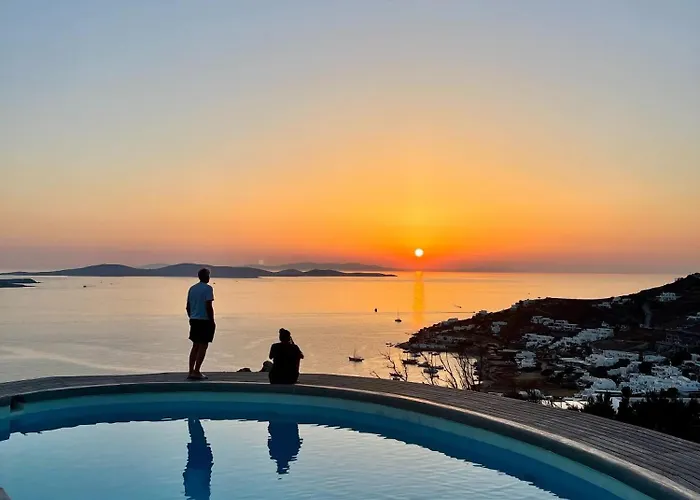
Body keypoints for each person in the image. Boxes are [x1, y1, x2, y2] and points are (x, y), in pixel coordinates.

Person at [186, 268, 215, 380]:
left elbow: (188, 307)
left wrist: (191, 317)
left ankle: (191, 371)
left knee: (195, 346)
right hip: (204, 320)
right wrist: (212, 321)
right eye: (208, 275)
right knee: (203, 346)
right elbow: (208, 306)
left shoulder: (192, 289)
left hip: (194, 320)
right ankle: (197, 371)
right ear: (206, 277)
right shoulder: (208, 289)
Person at [183, 419, 213, 500]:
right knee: (197, 439)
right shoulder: (198, 493)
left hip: (199, 467)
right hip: (198, 467)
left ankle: (193, 419)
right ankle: (193, 419)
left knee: (198, 439)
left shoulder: (200, 493)